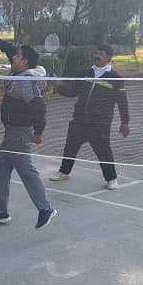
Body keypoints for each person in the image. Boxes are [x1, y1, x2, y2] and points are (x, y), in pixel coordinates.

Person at [0, 37, 56, 229]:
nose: (13, 57)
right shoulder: (19, 71)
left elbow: (39, 106)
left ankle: (45, 209)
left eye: (18, 56)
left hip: (20, 133)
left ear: (24, 62)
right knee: (0, 172)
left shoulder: (25, 82)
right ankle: (1, 212)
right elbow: (10, 50)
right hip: (11, 132)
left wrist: (39, 131)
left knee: (27, 171)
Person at [50, 43, 130, 189]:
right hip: (79, 119)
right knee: (70, 147)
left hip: (100, 122)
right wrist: (58, 87)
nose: (97, 56)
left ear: (108, 58)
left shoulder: (115, 78)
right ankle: (64, 172)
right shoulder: (85, 73)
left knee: (103, 151)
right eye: (96, 53)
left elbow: (122, 101)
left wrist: (125, 122)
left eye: (101, 54)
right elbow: (73, 91)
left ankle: (111, 178)